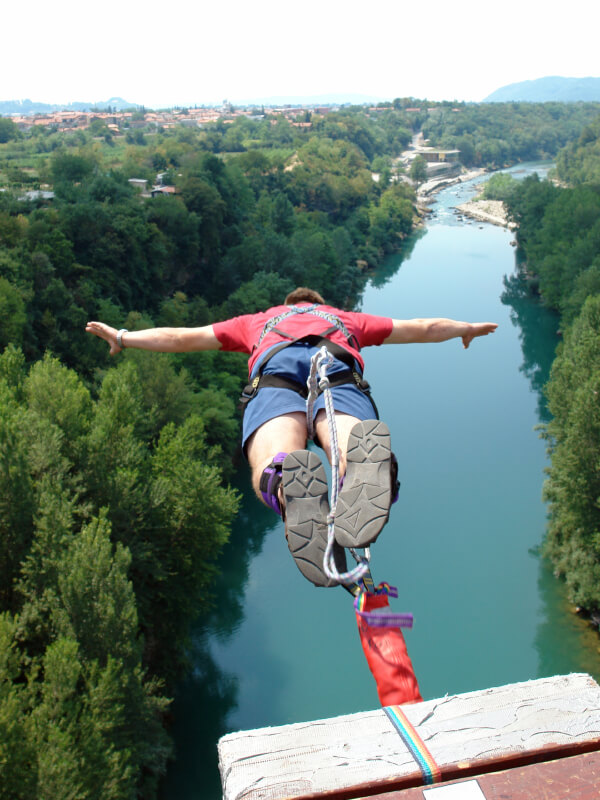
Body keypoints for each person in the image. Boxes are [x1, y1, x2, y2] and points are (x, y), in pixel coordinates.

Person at [86, 287, 497, 588]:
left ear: (287, 305)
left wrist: (122, 337)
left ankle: (284, 482)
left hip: (275, 370)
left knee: (275, 457)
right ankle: (360, 463)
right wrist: (466, 328)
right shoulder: (345, 319)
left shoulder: (256, 322)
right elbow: (422, 327)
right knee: (349, 438)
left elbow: (181, 338)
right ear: (319, 303)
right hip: (336, 364)